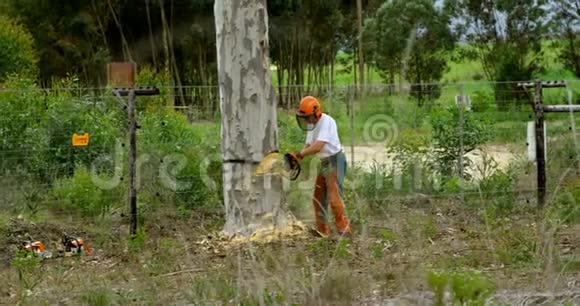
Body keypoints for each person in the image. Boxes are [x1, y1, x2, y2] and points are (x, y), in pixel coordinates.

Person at [287, 96, 352, 237]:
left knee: (334, 197)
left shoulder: (327, 122)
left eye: (309, 117)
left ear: (316, 113)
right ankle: (322, 230)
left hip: (336, 160)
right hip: (325, 163)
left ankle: (344, 230)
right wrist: (297, 158)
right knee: (318, 197)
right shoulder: (312, 126)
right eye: (304, 118)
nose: (306, 120)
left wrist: (301, 154)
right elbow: (309, 145)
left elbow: (318, 146)